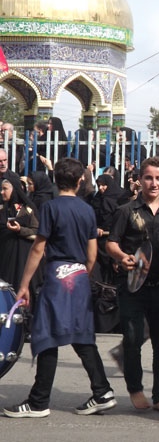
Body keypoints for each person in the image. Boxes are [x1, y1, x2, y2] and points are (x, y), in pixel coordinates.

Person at [3, 158, 117, 418]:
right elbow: (92, 254)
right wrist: (81, 273)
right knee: (81, 335)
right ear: (80, 181)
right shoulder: (87, 210)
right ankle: (102, 391)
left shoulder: (51, 207)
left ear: (56, 180)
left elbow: (38, 248)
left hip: (57, 276)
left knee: (46, 335)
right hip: (79, 276)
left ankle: (39, 401)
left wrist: (24, 284)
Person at [106, 157, 159, 415]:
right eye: (148, 178)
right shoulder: (126, 211)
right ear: (140, 180)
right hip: (132, 285)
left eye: (158, 178)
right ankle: (135, 389)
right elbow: (111, 243)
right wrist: (122, 257)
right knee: (132, 339)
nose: (153, 183)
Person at [0, 177, 40, 292]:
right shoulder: (2, 210)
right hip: (5, 257)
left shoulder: (27, 210)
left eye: (5, 189)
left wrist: (20, 230)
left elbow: (36, 231)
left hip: (23, 257)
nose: (2, 192)